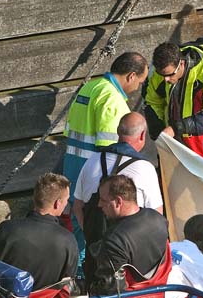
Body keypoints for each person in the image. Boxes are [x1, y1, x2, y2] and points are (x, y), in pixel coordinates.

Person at [62, 52, 149, 251]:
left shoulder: (89, 87)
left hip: (73, 167)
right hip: (95, 175)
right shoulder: (112, 99)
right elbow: (113, 149)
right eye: (140, 82)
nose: (138, 88)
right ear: (131, 76)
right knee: (91, 232)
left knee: (76, 224)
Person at [144, 39, 203, 177]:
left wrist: (176, 128)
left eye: (170, 75)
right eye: (162, 75)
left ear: (181, 63)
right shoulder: (162, 73)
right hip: (178, 147)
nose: (166, 80)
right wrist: (158, 132)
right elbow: (152, 102)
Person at [72, 112, 163, 237]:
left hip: (95, 250)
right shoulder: (145, 168)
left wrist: (91, 237)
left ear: (117, 131)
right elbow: (156, 216)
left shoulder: (92, 160)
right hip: (130, 249)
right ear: (142, 135)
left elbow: (77, 206)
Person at [0, 173, 78, 291]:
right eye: (66, 200)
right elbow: (67, 284)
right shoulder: (68, 240)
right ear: (57, 203)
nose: (67, 204)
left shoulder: (7, 229)